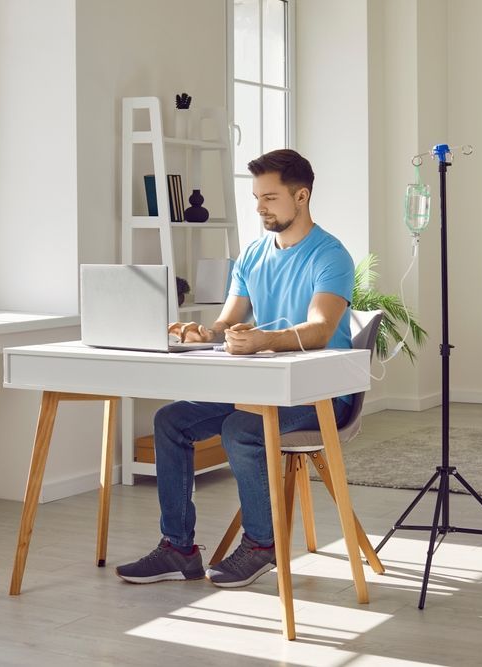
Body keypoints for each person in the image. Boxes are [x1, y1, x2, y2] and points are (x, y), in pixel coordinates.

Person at [115, 149, 355, 587]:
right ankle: (178, 549)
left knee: (241, 429)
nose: (260, 207)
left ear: (301, 197)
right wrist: (202, 333)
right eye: (256, 198)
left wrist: (263, 340)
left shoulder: (331, 256)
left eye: (270, 197)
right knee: (170, 420)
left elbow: (321, 330)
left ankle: (262, 545)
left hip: (319, 395)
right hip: (259, 387)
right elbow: (227, 322)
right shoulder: (251, 255)